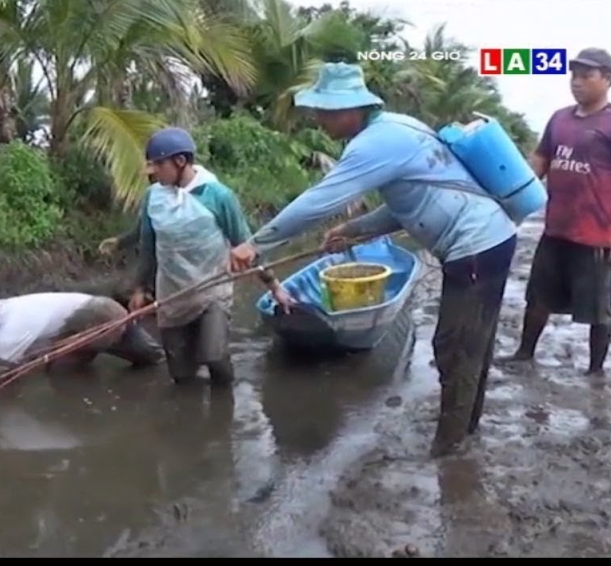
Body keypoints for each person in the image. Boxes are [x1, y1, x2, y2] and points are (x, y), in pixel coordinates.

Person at [229, 62, 518, 457]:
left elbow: (318, 202)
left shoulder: (373, 144)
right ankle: (464, 428)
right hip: (491, 239)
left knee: (456, 346)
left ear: (352, 109)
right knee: (473, 342)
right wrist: (355, 230)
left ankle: (449, 447)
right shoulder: (400, 127)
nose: (318, 120)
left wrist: (257, 244)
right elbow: (408, 205)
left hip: (475, 246)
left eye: (324, 111)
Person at [128, 127, 294, 387]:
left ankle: (224, 413)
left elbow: (245, 245)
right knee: (181, 375)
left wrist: (274, 286)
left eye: (159, 165)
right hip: (172, 293)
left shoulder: (218, 196)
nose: (154, 173)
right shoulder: (153, 198)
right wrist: (139, 288)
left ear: (180, 162)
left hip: (212, 289)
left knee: (214, 357)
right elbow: (148, 247)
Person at [506, 48, 611, 376]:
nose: (577, 82)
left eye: (586, 76)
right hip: (555, 229)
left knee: (600, 308)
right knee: (538, 296)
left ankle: (595, 371)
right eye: (574, 75)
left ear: (607, 79)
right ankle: (524, 353)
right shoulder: (559, 118)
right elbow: (540, 160)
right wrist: (510, 191)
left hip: (597, 234)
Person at [0, 283, 166, 370]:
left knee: (60, 371)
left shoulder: (10, 329)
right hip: (97, 313)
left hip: (100, 317)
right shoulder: (12, 309)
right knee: (152, 358)